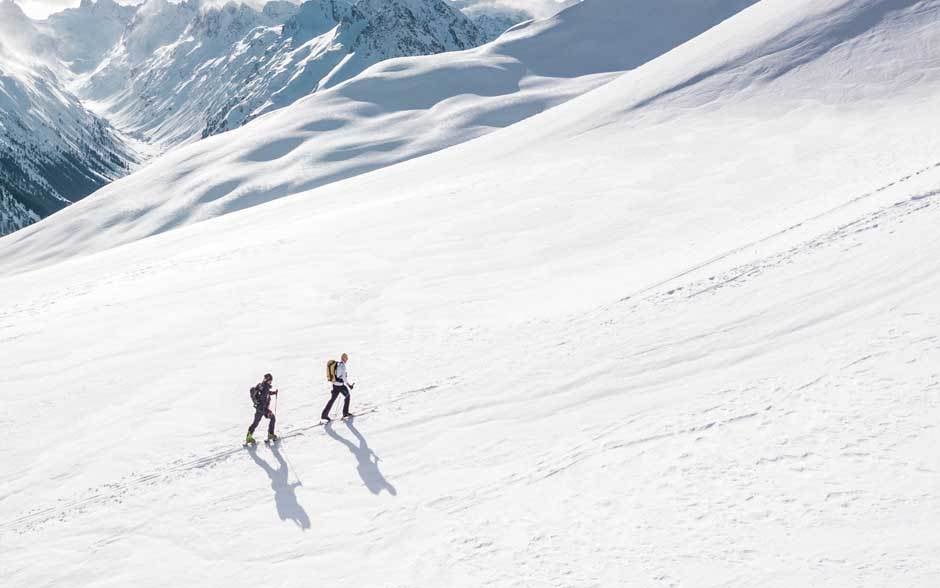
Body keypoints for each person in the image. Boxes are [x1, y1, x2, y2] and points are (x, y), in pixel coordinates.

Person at [246, 373, 278, 444]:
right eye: (270, 380)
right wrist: (267, 411)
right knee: (272, 418)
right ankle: (270, 434)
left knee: (255, 423)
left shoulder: (260, 385)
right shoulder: (266, 387)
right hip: (263, 408)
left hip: (258, 408)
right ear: (268, 380)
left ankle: (249, 437)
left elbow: (266, 393)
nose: (271, 382)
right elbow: (264, 396)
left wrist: (273, 393)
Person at [321, 353, 354, 421]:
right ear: (344, 359)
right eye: (346, 358)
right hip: (340, 386)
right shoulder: (342, 366)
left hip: (335, 385)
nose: (347, 359)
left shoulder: (337, 364)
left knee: (332, 400)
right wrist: (349, 385)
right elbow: (344, 378)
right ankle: (345, 413)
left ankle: (324, 415)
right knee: (347, 396)